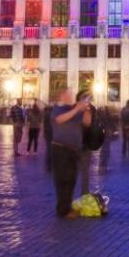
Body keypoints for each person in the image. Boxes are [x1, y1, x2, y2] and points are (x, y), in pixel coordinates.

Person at [48, 90, 90, 218]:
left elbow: (87, 123)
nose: (69, 96)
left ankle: (68, 207)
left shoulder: (75, 110)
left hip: (73, 149)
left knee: (71, 179)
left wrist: (87, 110)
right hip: (60, 149)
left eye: (71, 95)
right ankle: (62, 210)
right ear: (62, 96)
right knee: (62, 179)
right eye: (67, 94)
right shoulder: (58, 109)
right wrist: (77, 109)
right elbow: (60, 120)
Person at [77, 92, 104, 197]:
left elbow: (88, 123)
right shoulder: (90, 108)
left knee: (83, 170)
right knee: (82, 170)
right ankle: (83, 193)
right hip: (81, 142)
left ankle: (84, 194)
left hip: (83, 142)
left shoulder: (89, 109)